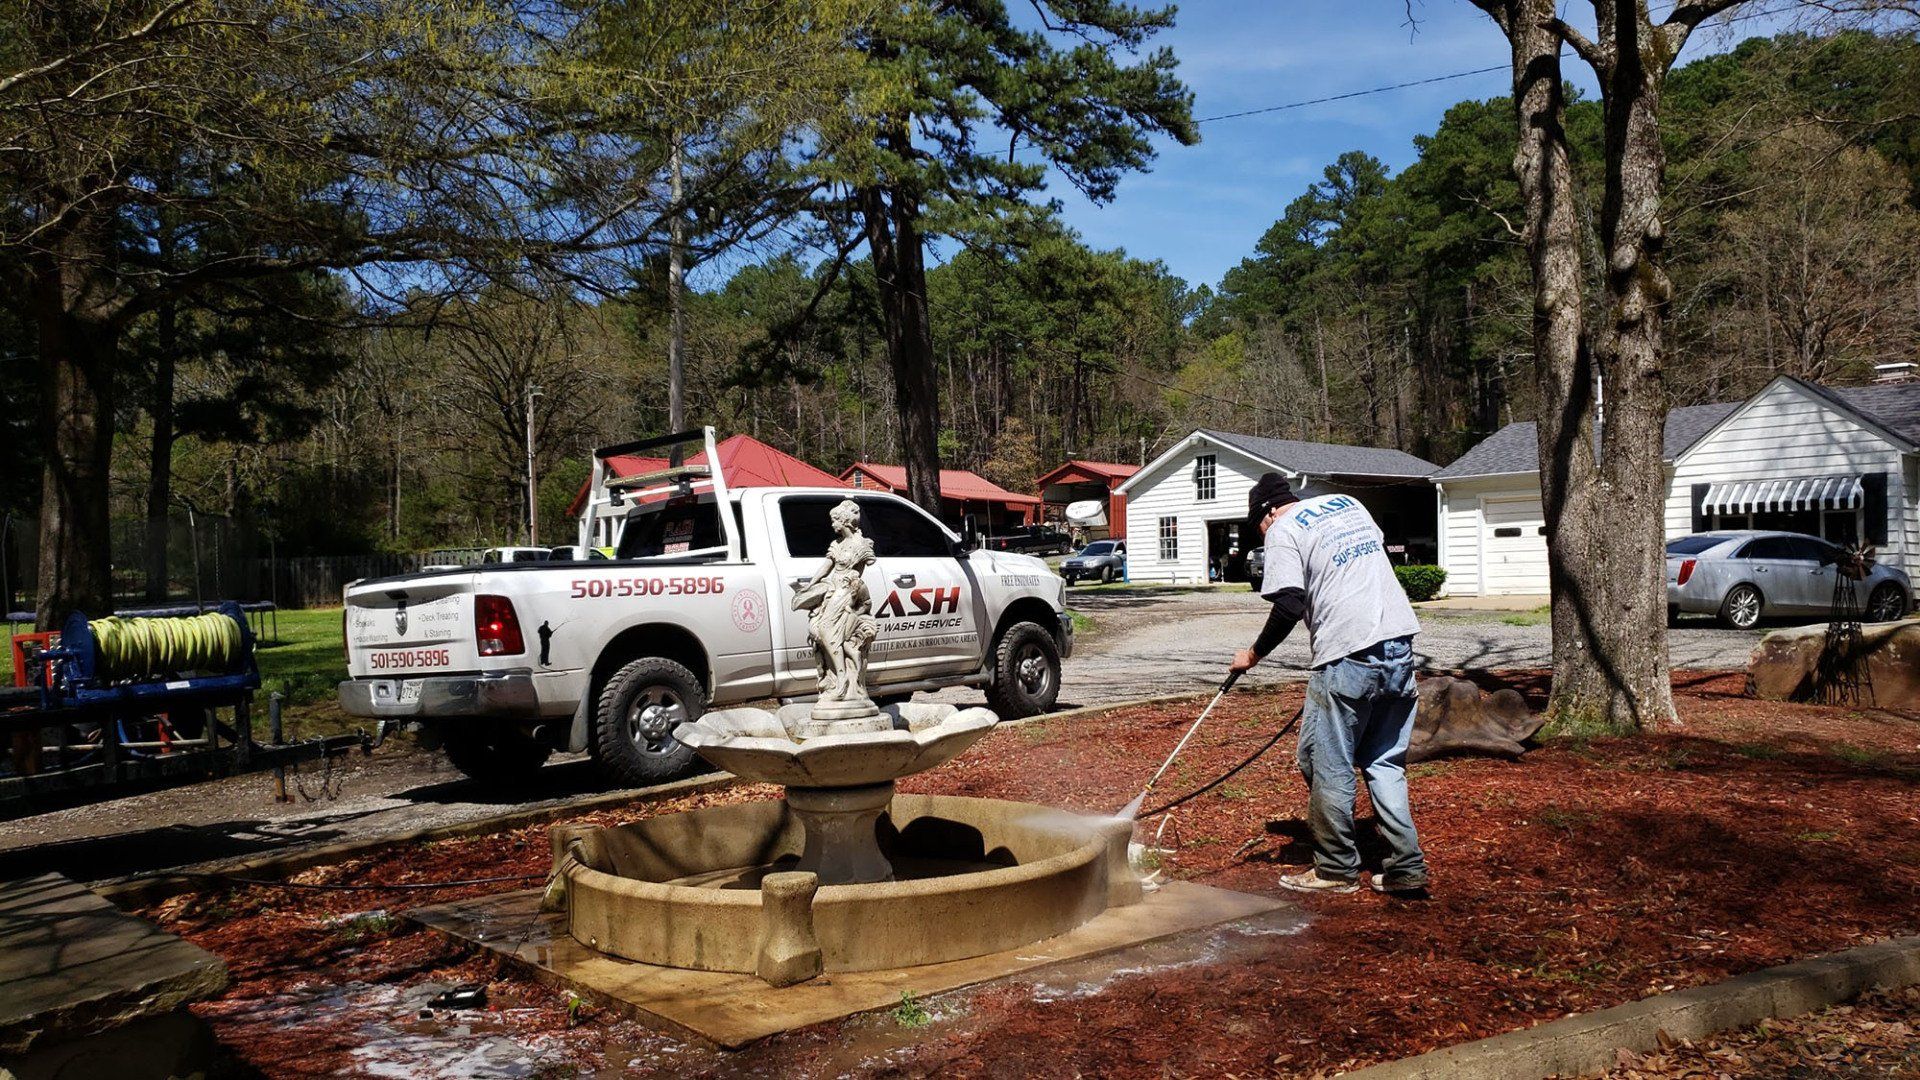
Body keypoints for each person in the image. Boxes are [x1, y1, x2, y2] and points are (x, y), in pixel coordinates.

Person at [1230, 472, 1429, 896]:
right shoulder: (1346, 505)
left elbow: (1288, 604)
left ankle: (1336, 868)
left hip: (1347, 654)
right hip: (1399, 645)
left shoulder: (1282, 530)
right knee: (1383, 762)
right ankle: (1405, 867)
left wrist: (1252, 655)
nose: (1261, 533)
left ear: (1267, 512)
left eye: (1257, 525)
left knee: (1326, 761)